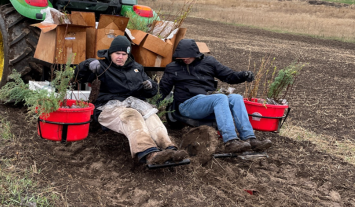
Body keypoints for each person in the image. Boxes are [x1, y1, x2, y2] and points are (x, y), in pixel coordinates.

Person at [75, 35, 188, 165]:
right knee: (132, 115)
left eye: (124, 54)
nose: (120, 57)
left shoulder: (136, 68)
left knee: (150, 115)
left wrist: (150, 86)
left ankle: (169, 148)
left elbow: (152, 91)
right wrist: (87, 64)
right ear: (110, 53)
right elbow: (78, 77)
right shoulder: (102, 66)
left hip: (134, 104)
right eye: (117, 53)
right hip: (108, 108)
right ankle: (150, 152)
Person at [158, 39, 272, 153]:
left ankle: (250, 138)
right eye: (182, 56)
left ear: (195, 53)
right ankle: (230, 141)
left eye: (188, 56)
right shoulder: (173, 67)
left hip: (207, 100)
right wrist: (152, 102)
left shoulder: (209, 62)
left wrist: (243, 75)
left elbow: (228, 76)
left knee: (236, 98)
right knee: (220, 97)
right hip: (187, 105)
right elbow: (163, 90)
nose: (185, 58)